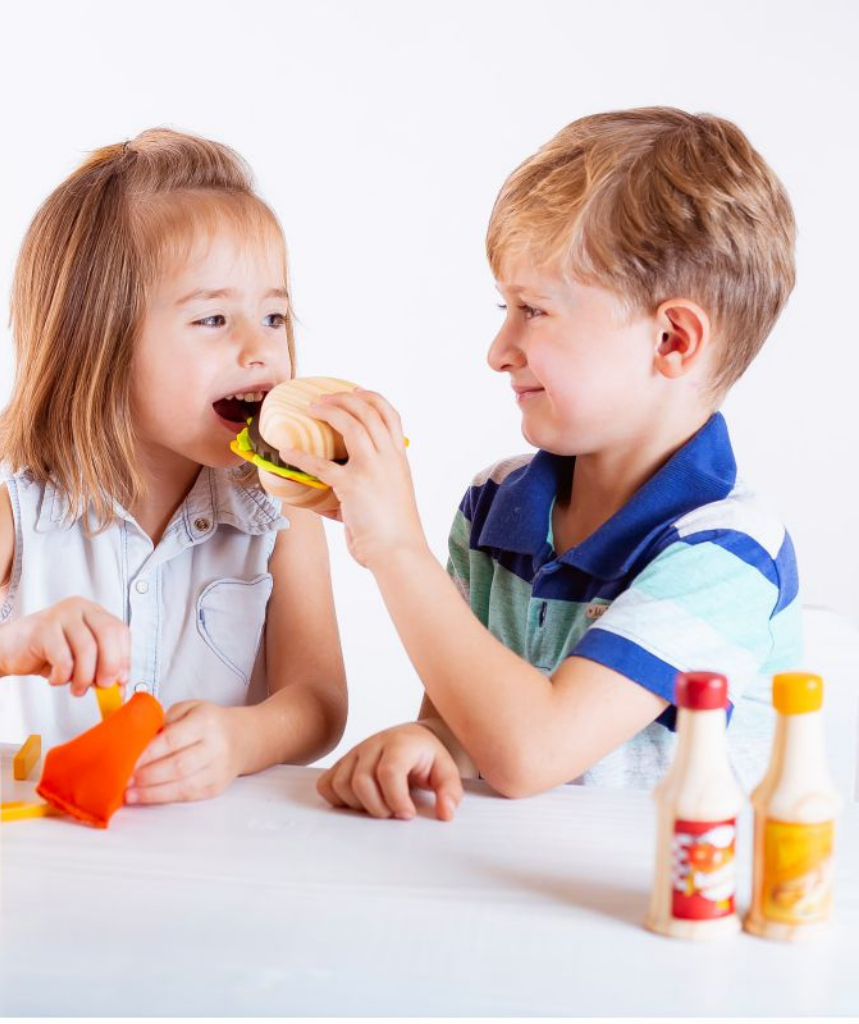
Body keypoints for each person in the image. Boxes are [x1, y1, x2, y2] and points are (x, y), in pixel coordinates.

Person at [285, 108, 801, 819]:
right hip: (520, 888)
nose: (499, 350)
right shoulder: (496, 503)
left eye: (534, 309)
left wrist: (395, 548)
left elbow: (532, 751)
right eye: (505, 306)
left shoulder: (728, 550)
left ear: (672, 339)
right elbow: (474, 724)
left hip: (663, 900)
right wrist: (429, 741)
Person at [0, 128, 347, 805]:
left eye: (275, 315)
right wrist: (1, 647)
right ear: (101, 343)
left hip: (219, 860)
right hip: (53, 854)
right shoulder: (20, 518)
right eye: (214, 319)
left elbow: (318, 703)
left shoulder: (280, 515)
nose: (261, 349)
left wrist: (242, 740)